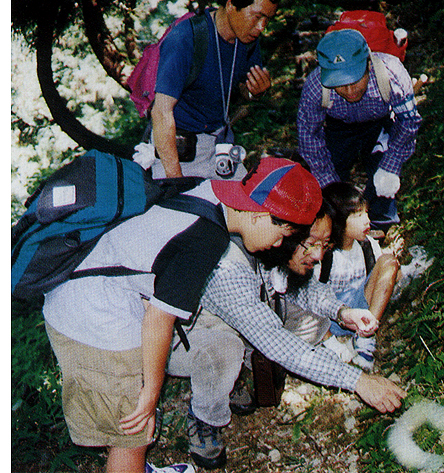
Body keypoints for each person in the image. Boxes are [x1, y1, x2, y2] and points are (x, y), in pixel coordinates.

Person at [41, 157, 321, 473]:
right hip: (94, 318)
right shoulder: (207, 237)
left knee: (131, 426)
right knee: (133, 435)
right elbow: (160, 319)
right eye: (283, 233)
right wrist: (150, 393)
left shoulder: (207, 190)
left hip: (86, 297)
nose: (279, 243)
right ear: (260, 216)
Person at [167, 201, 406, 469]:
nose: (318, 256)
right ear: (289, 233)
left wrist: (342, 312)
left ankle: (232, 373)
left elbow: (304, 288)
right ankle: (205, 416)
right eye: (313, 243)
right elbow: (279, 344)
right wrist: (359, 381)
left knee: (302, 320)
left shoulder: (267, 244)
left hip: (235, 313)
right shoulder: (229, 266)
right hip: (177, 336)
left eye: (325, 246)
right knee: (226, 350)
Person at [297, 28, 422, 232]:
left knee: (383, 179)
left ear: (368, 65)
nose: (349, 90)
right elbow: (309, 140)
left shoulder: (392, 74)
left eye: (355, 80)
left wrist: (390, 166)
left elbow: (408, 122)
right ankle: (337, 227)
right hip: (338, 128)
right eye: (339, 84)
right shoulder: (315, 86)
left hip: (379, 123)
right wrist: (335, 194)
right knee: (330, 179)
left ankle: (381, 225)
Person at [150, 0, 280, 179]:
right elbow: (161, 112)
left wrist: (254, 92)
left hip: (219, 146)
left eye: (267, 20)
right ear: (231, 5)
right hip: (177, 149)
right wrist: (174, 178)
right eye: (257, 16)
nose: (261, 28)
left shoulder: (248, 41)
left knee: (246, 205)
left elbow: (244, 89)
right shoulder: (186, 38)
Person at [319, 182, 400, 371]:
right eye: (357, 215)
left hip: (361, 311)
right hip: (331, 318)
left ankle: (366, 336)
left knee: (389, 261)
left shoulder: (368, 245)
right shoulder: (323, 254)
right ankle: (330, 340)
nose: (367, 221)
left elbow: (382, 278)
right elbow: (308, 299)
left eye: (366, 213)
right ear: (337, 220)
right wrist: (329, 339)